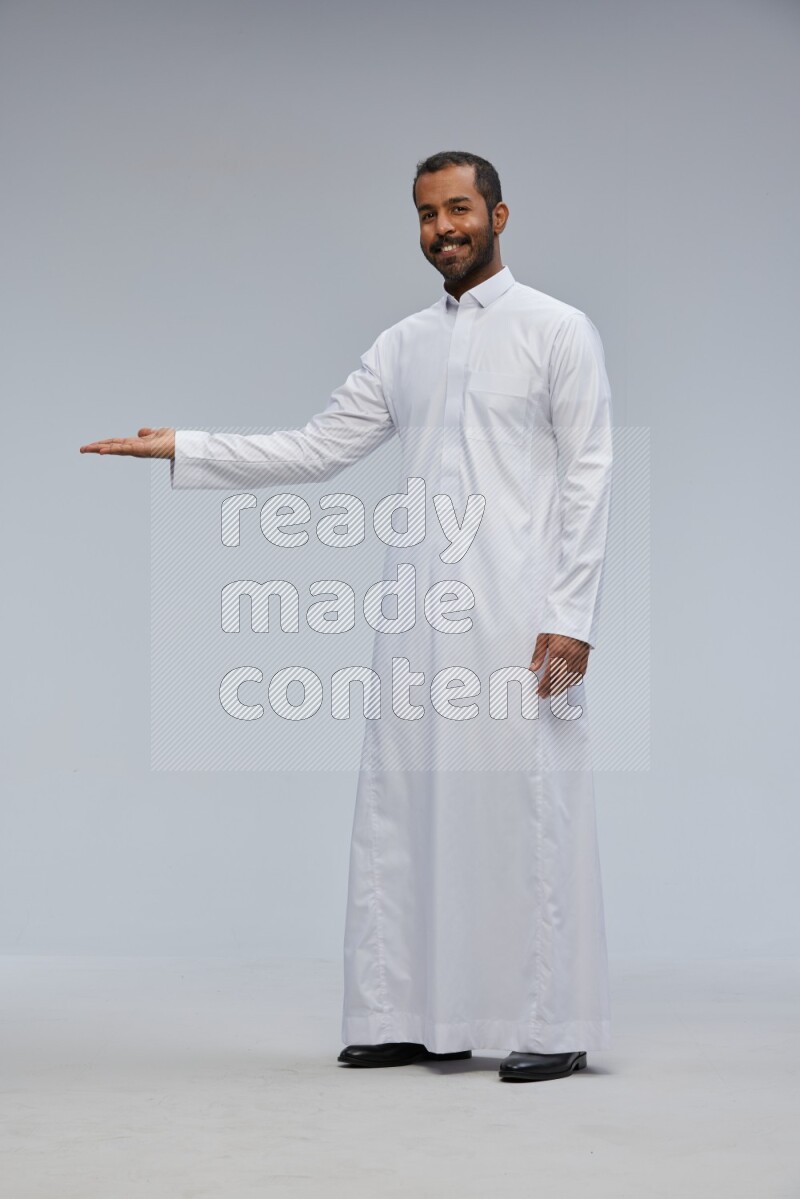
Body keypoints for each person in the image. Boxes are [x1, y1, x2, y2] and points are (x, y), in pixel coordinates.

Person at [80, 150, 614, 1083]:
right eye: (424, 215)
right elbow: (318, 446)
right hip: (418, 610)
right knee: (404, 807)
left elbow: (590, 474)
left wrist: (571, 615)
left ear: (499, 214)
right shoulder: (402, 343)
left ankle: (549, 1018)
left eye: (458, 209)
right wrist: (186, 446)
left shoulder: (558, 330)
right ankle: (405, 1010)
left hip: (523, 612)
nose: (441, 229)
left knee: (528, 805)